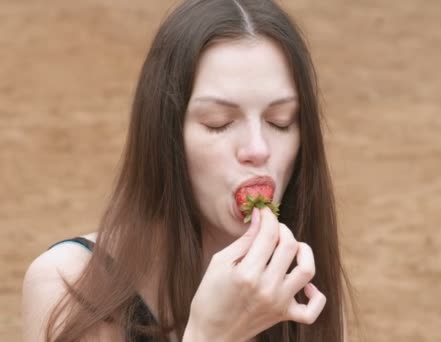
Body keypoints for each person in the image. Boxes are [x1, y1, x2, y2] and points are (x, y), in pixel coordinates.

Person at [21, 0, 353, 341]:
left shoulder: (303, 292)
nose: (258, 148)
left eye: (279, 122)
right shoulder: (70, 287)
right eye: (218, 123)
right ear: (165, 136)